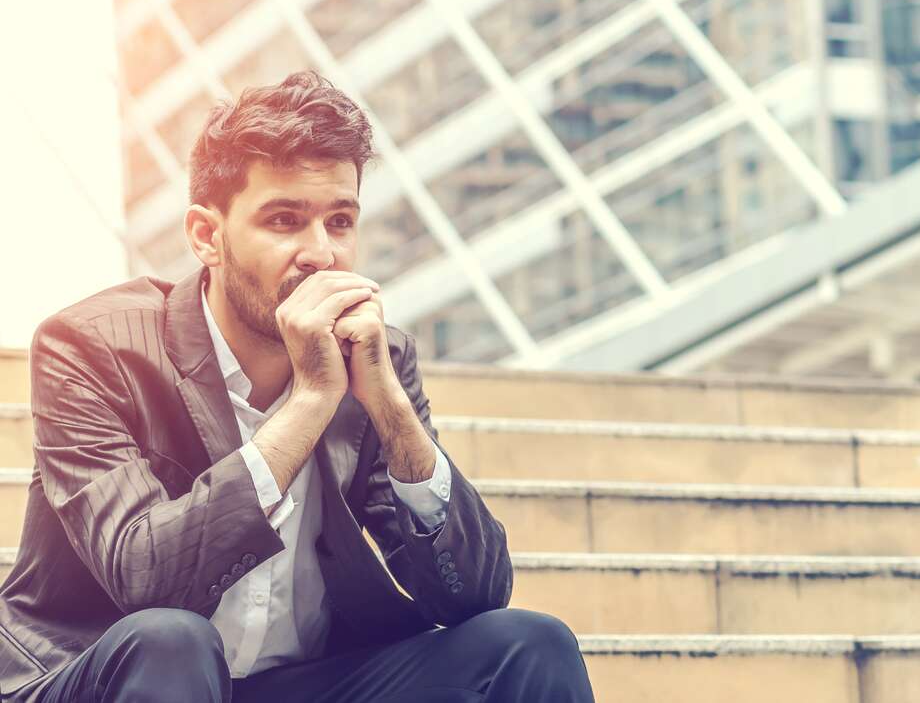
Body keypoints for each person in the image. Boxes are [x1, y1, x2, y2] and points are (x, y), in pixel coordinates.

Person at [0, 71, 595, 702]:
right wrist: (310, 402)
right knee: (172, 642)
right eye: (284, 220)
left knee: (529, 645)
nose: (322, 254)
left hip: (302, 681)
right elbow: (146, 583)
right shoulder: (92, 347)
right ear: (207, 236)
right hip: (117, 674)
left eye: (340, 221)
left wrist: (390, 407)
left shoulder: (379, 360)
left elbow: (473, 593)